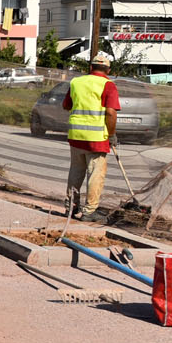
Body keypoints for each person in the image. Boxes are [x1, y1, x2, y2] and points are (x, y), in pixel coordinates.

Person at [63, 52, 119, 222]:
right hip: (96, 138)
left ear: (90, 67)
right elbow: (111, 113)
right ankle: (89, 211)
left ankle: (71, 206)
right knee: (95, 174)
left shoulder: (76, 82)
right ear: (108, 70)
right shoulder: (108, 85)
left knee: (76, 171)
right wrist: (112, 135)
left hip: (76, 134)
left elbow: (66, 105)